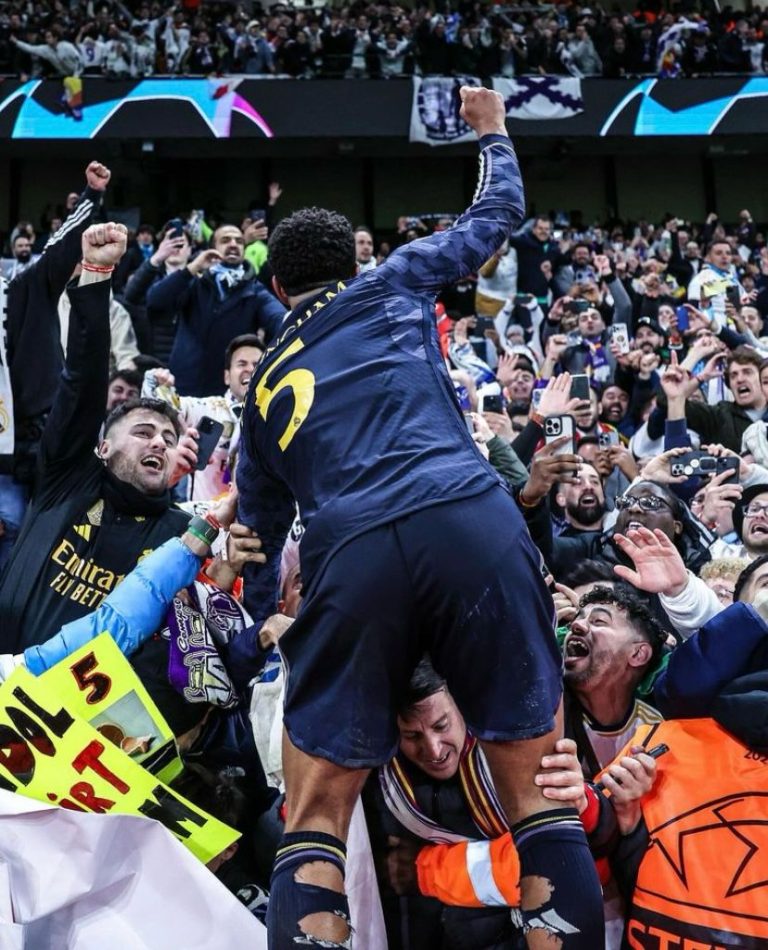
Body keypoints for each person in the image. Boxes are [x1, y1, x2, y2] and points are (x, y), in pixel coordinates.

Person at [239, 86, 604, 949]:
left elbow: (256, 534)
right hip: (464, 515)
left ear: (279, 286)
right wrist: (493, 132)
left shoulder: (258, 390)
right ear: (353, 259)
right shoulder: (392, 280)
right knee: (535, 795)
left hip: (350, 548)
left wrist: (263, 615)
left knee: (318, 814)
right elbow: (500, 211)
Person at [0, 222, 195, 653]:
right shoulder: (67, 478)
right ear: (102, 447)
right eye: (144, 432)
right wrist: (94, 279)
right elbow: (82, 382)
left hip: (88, 718)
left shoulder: (182, 535)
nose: (159, 442)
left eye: (167, 436)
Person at [146, 224, 285, 397]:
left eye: (239, 241)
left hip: (227, 391)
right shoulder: (194, 282)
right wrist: (192, 268)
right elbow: (155, 301)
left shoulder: (256, 291)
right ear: (211, 249)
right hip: (186, 385)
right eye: (225, 240)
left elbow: (281, 321)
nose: (233, 244)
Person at [143, 334, 263, 500]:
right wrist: (156, 384)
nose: (250, 369)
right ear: (227, 377)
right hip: (204, 519)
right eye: (242, 364)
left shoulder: (276, 418)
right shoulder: (207, 409)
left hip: (254, 520)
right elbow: (163, 410)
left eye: (257, 365)